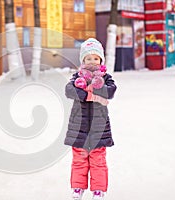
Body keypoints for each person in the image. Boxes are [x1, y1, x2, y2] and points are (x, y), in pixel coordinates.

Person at [64, 38, 117, 200]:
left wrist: (98, 86)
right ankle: (78, 188)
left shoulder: (106, 78)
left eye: (95, 58)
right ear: (83, 61)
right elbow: (69, 90)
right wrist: (86, 94)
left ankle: (98, 190)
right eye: (88, 58)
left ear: (101, 60)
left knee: (98, 160)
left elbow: (111, 91)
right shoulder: (77, 78)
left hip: (98, 127)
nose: (92, 62)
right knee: (79, 159)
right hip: (79, 126)